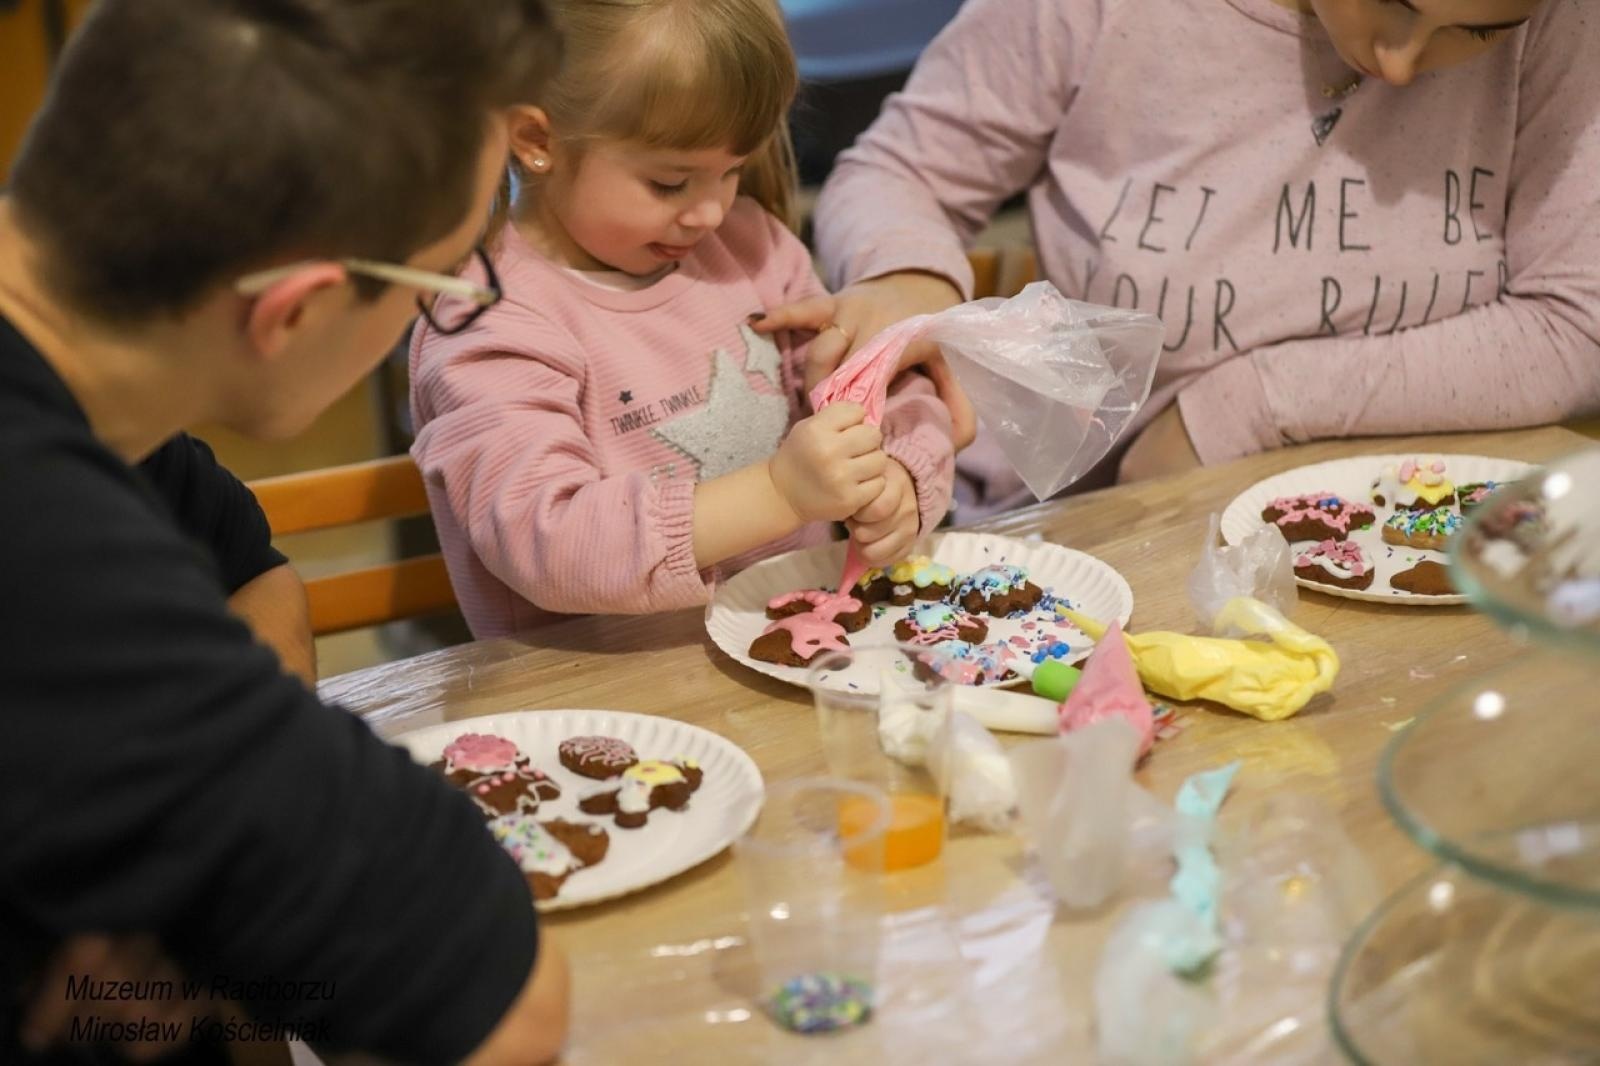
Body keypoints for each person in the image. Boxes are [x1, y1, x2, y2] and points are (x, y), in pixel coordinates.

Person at [0, 1, 569, 1063]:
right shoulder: (49, 551)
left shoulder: (87, 385)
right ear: (294, 311)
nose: (452, 309)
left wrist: (202, 894)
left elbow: (244, 566)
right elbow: (503, 1001)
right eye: (449, 280)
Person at [802, 0, 1600, 516]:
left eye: (1478, 33)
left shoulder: (1567, 25)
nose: (1398, 62)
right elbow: (897, 172)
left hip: (1430, 517)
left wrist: (1240, 406)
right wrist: (907, 273)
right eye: (1394, 0)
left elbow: (1577, 330)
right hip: (1089, 522)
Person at [410, 0, 956, 639]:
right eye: (671, 183)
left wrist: (902, 476)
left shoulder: (752, 250)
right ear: (537, 141)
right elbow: (545, 539)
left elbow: (883, 389)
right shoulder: (489, 318)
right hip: (603, 697)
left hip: (802, 643)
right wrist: (780, 494)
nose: (711, 215)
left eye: (731, 173)